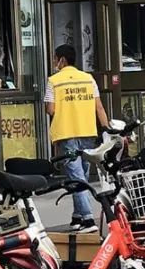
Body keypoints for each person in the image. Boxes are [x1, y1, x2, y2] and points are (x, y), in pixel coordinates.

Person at [45, 44, 110, 232]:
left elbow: (50, 109)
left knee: (77, 177)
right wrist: (106, 129)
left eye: (54, 58)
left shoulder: (54, 81)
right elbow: (98, 107)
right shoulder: (88, 79)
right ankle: (77, 217)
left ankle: (88, 219)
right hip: (87, 133)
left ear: (62, 60)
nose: (54, 62)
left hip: (67, 135)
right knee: (80, 175)